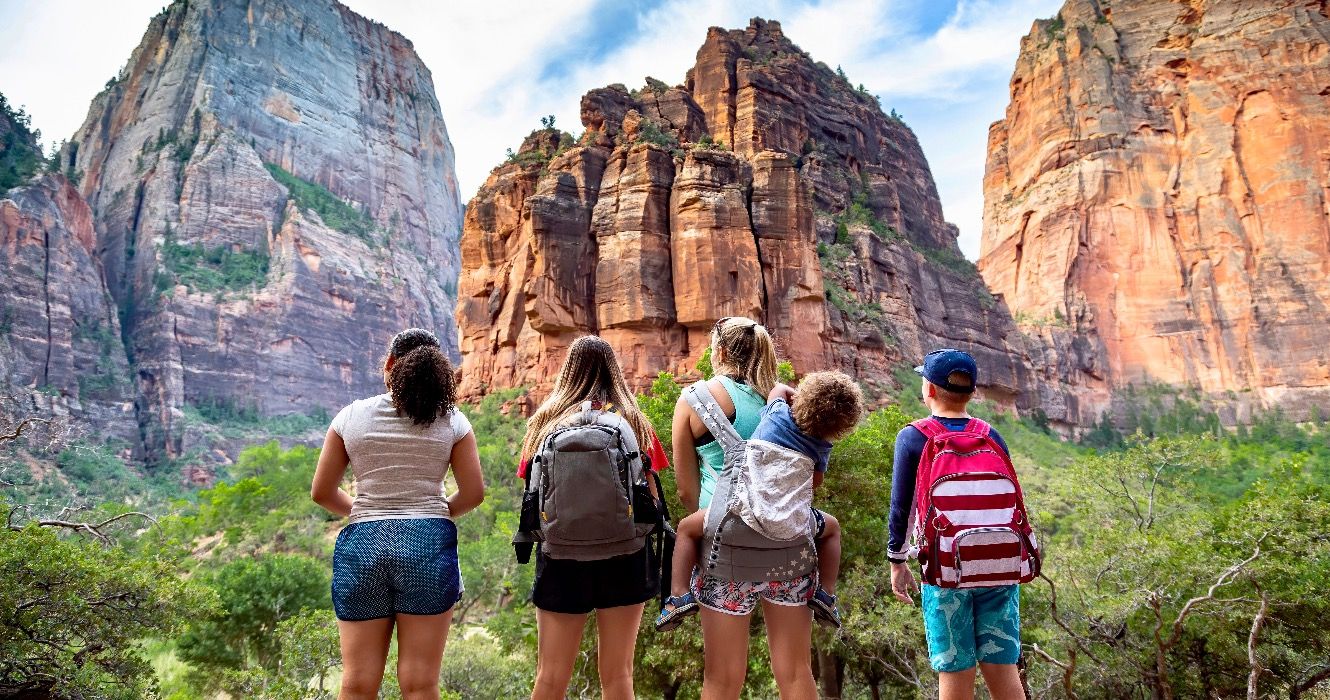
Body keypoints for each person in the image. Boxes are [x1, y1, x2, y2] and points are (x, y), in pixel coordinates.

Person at [311, 328, 485, 700]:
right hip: (428, 544)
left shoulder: (350, 416)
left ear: (390, 364)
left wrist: (363, 512)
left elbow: (322, 492)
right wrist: (435, 513)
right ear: (440, 371)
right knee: (420, 683)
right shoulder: (453, 421)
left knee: (357, 684)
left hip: (364, 546)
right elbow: (473, 494)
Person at [518, 335, 671, 700]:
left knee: (550, 676)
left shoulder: (544, 422)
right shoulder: (634, 421)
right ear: (613, 371)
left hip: (560, 557)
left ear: (567, 372)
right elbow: (651, 496)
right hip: (626, 556)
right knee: (618, 676)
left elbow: (531, 488)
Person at [656, 371, 863, 634]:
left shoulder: (777, 414)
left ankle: (678, 596)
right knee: (831, 528)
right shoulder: (821, 446)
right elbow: (816, 481)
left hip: (743, 510)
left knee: (686, 528)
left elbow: (777, 390)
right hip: (791, 523)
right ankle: (826, 594)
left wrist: (797, 397)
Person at [671, 317, 845, 624]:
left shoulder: (693, 400)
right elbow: (811, 477)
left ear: (721, 352)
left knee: (724, 660)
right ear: (764, 351)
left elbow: (687, 492)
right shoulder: (791, 405)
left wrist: (711, 522)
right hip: (789, 540)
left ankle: (676, 599)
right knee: (794, 659)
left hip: (723, 543)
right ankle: (827, 596)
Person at [887, 349, 1026, 700]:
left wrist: (897, 561)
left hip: (945, 570)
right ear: (973, 392)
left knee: (954, 670)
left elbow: (902, 509)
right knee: (1004, 669)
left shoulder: (913, 437)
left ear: (929, 389)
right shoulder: (992, 435)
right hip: (998, 566)